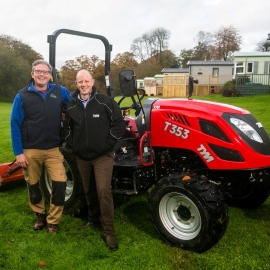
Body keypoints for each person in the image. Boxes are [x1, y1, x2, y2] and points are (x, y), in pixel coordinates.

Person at [63, 69, 126, 250]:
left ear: (92, 83)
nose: (83, 84)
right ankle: (92, 220)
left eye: (86, 81)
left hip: (102, 156)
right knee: (88, 190)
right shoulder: (72, 105)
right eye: (80, 82)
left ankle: (109, 232)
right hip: (82, 157)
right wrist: (73, 145)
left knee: (103, 191)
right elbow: (67, 129)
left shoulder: (105, 101)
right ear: (76, 84)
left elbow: (119, 123)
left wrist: (109, 143)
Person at [10, 59, 71, 234]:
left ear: (50, 75)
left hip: (53, 148)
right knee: (34, 184)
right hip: (30, 149)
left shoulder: (60, 92)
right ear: (32, 74)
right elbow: (15, 124)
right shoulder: (22, 96)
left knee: (60, 183)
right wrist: (18, 152)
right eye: (38, 71)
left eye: (45, 72)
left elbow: (75, 106)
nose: (42, 74)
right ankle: (39, 215)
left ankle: (53, 221)